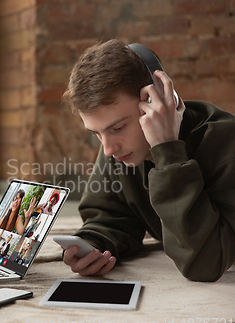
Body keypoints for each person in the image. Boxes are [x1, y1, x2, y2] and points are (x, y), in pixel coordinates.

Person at [61, 39, 235, 282]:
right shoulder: (122, 149)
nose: (108, 149)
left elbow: (205, 263)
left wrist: (167, 151)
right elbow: (112, 216)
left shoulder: (226, 141)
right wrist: (94, 246)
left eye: (118, 127)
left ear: (160, 100)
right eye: (96, 134)